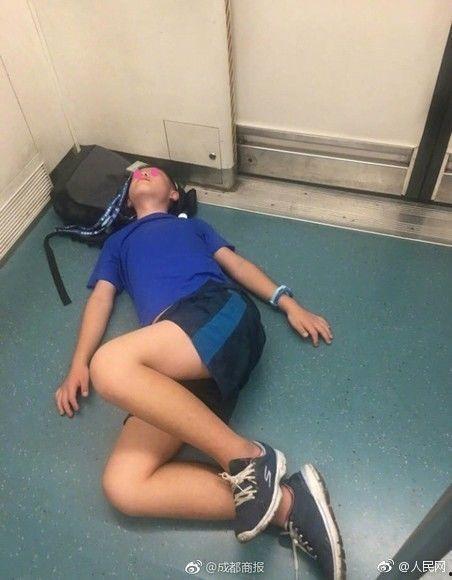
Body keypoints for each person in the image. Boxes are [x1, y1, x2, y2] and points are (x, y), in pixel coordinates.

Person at [54, 166, 346, 579]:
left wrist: (288, 303)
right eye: (135, 175)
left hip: (215, 311)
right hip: (175, 359)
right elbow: (101, 299)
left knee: (111, 365)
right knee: (124, 487)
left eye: (153, 171)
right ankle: (288, 506)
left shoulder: (191, 227)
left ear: (174, 193)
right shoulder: (119, 242)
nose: (142, 173)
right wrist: (77, 363)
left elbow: (236, 264)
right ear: (125, 200)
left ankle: (248, 458)